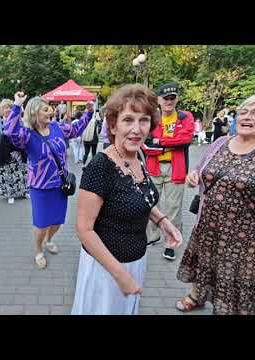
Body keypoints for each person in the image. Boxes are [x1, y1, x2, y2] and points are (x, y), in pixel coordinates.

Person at [176, 94, 255, 315]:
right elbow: (201, 171)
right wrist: (193, 176)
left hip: (246, 237)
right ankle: (197, 296)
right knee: (204, 264)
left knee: (238, 284)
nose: (247, 116)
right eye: (243, 111)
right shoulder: (220, 143)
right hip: (207, 226)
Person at [71, 84, 183, 315]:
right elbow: (84, 230)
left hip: (135, 261)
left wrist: (163, 221)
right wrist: (121, 276)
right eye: (128, 120)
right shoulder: (100, 167)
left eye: (143, 120)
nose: (136, 129)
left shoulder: (137, 155)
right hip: (106, 269)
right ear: (113, 125)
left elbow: (137, 194)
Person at [4, 91, 93, 269]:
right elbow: (9, 132)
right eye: (45, 109)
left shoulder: (57, 128)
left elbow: (76, 129)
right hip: (40, 187)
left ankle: (49, 240)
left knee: (58, 220)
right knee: (42, 222)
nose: (50, 111)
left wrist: (89, 113)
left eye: (49, 108)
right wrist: (16, 105)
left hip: (60, 184)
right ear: (35, 112)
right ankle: (38, 250)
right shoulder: (27, 135)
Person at [142, 82, 195, 260]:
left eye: (172, 98)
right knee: (151, 203)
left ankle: (171, 242)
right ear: (159, 100)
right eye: (166, 98)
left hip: (176, 168)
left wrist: (161, 142)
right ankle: (153, 235)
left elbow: (186, 138)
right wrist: (169, 143)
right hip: (153, 166)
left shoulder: (185, 116)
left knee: (174, 207)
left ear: (177, 99)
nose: (169, 101)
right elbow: (146, 144)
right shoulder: (152, 117)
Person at [0, 99, 29, 204]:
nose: (8, 109)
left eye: (10, 107)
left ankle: (24, 191)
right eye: (5, 107)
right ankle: (10, 194)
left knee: (21, 172)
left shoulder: (19, 121)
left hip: (17, 151)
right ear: (1, 110)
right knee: (6, 173)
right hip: (3, 151)